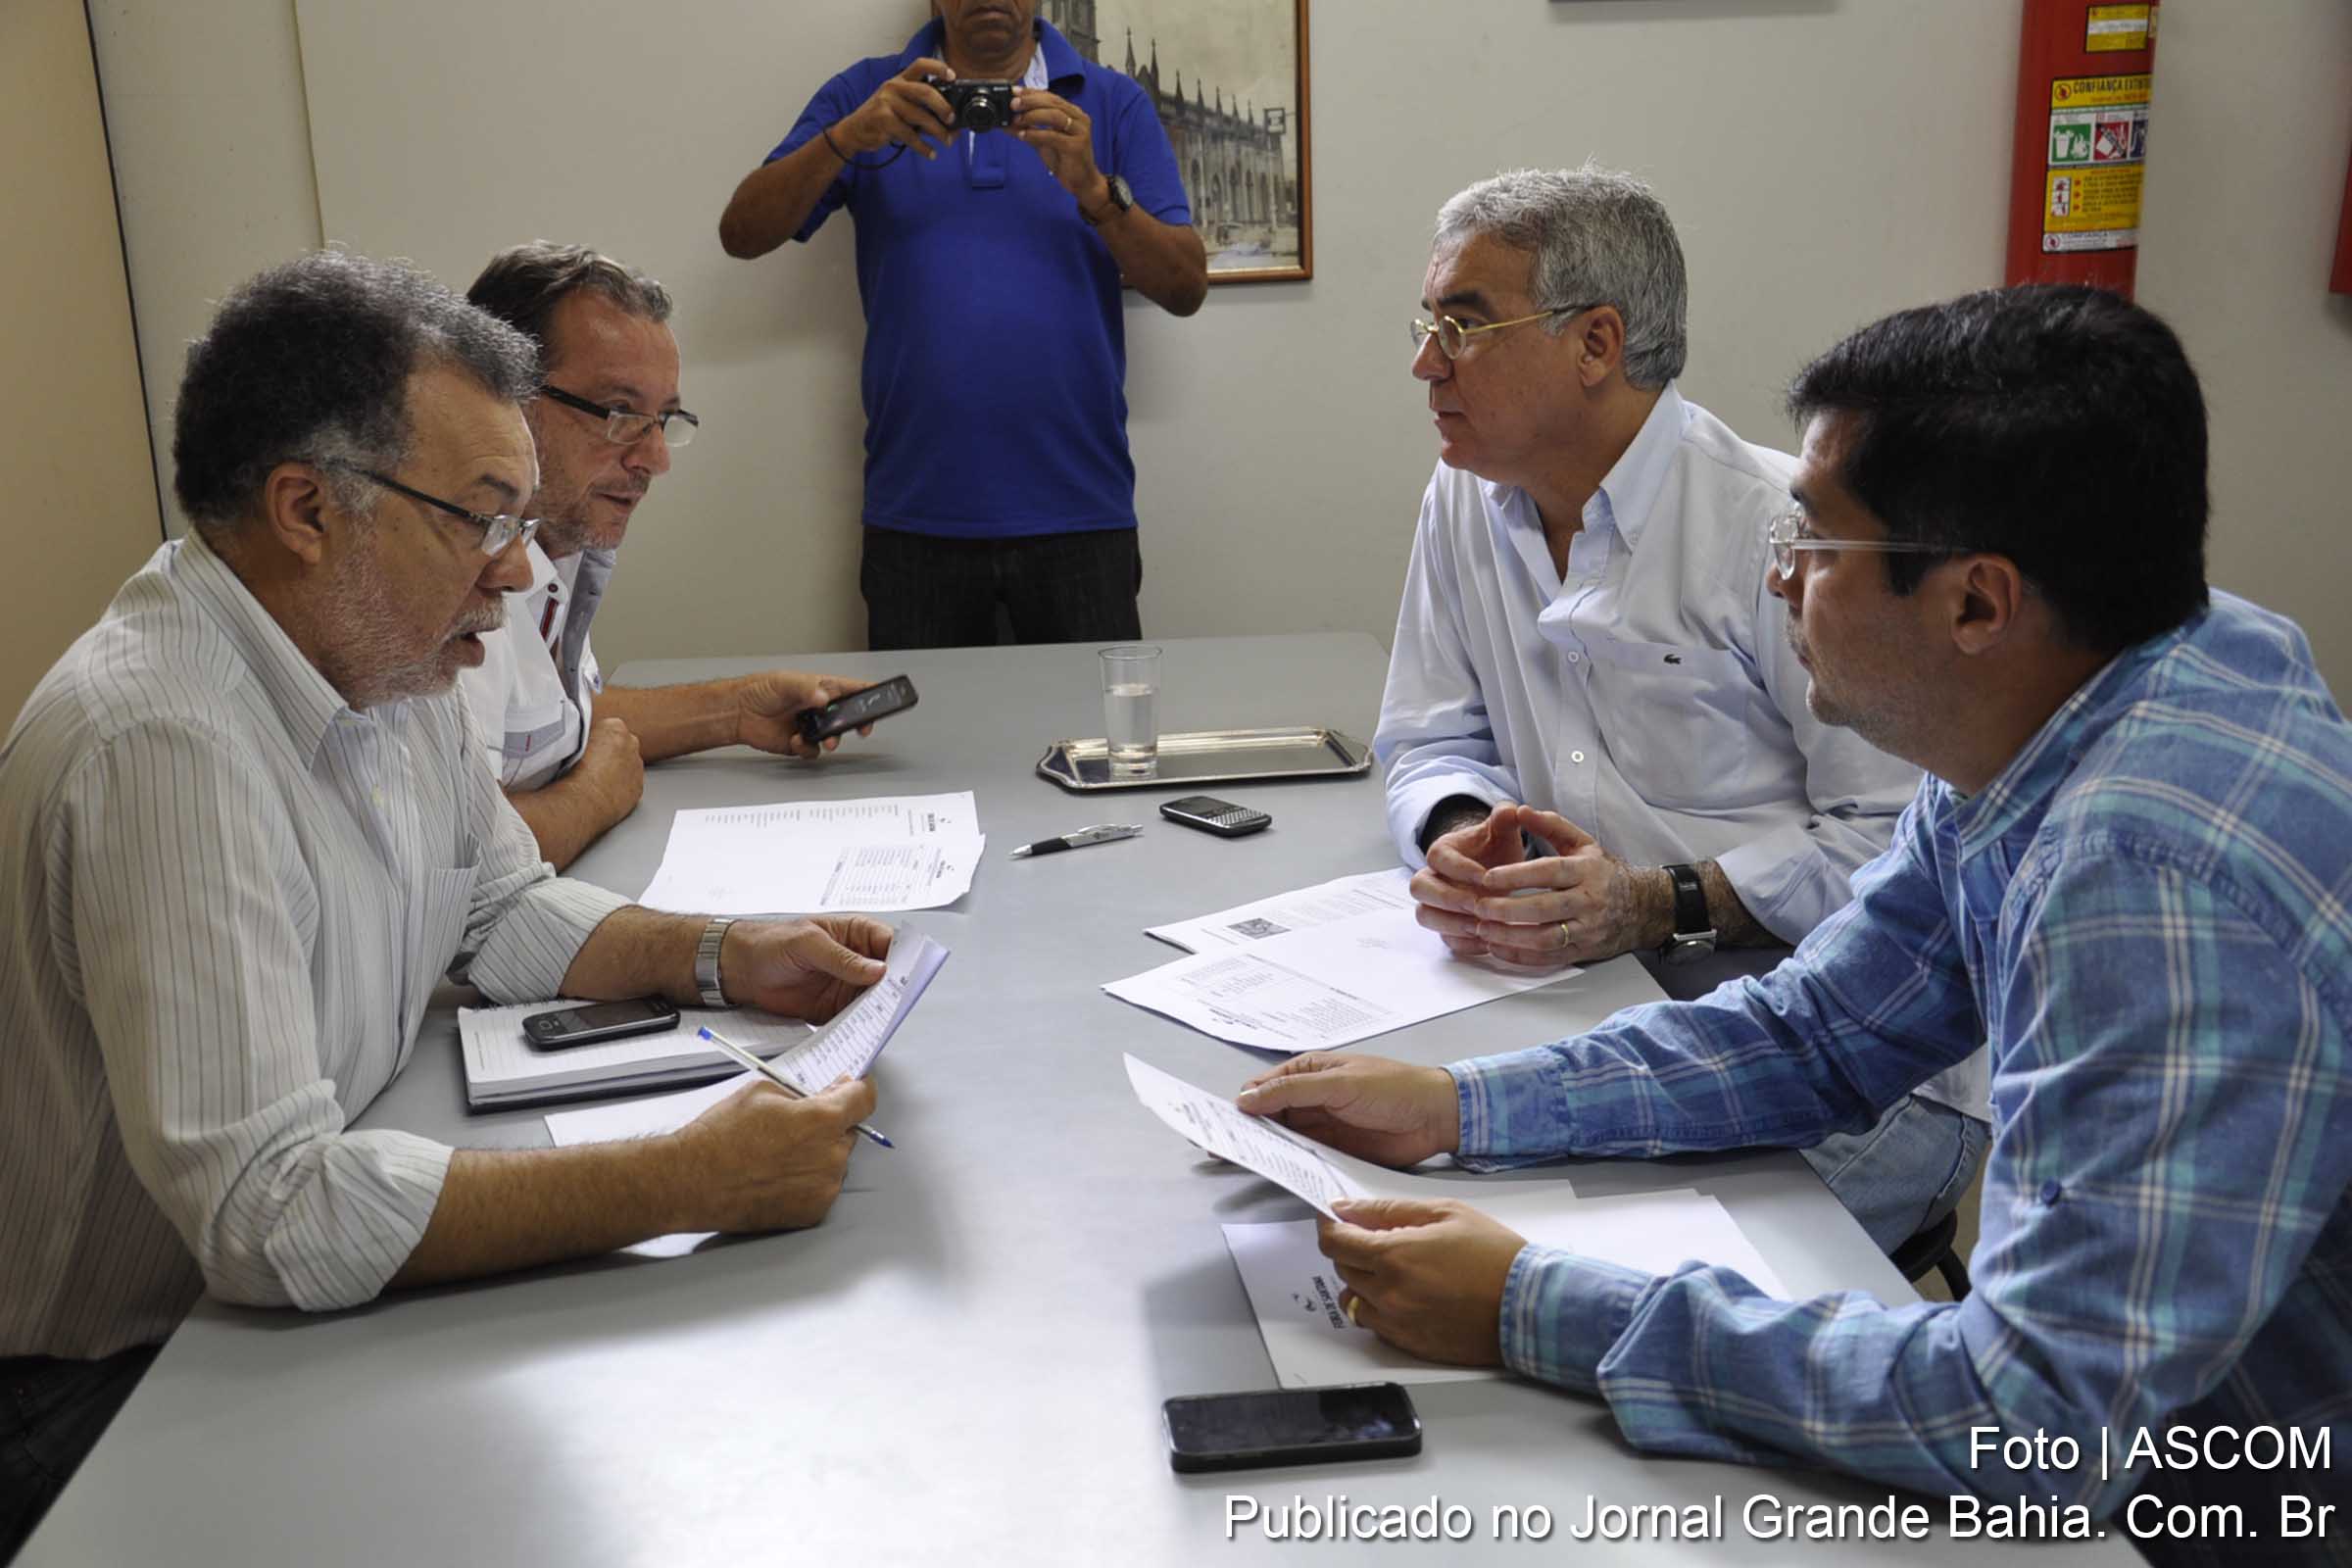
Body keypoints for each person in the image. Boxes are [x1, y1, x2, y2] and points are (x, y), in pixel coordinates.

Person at [1243, 284, 2351, 1553]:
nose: (1776, 578)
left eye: (1816, 545)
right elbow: (1821, 1033)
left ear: (1978, 604)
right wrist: (1458, 1107)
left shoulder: (2146, 879)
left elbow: (2034, 1424)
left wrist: (1528, 1306)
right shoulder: (2087, 691)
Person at [0, 253, 893, 1554]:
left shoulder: (385, 659)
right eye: (480, 519)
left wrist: (724, 957)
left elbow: (500, 912)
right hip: (108, 1395)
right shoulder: (165, 745)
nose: (520, 574)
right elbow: (277, 1216)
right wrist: (692, 1181)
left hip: (246, 1325)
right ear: (308, 509)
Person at [1378, 167, 1980, 1252]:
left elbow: (1901, 850)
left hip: (1858, 1051)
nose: (1425, 363)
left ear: (1596, 344)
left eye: (1463, 326)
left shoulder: (1784, 535)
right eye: (1427, 323)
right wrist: (1464, 834)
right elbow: (1429, 735)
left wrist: (1656, 902)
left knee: (1587, 1261)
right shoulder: (1464, 494)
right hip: (1605, 999)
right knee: (1439, 1199)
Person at [717, 0, 1207, 650]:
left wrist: (1094, 189)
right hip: (916, 517)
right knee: (920, 752)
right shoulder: (868, 94)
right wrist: (845, 139)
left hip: (1081, 513)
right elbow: (742, 233)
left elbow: (1183, 287)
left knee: (1092, 745)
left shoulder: (1111, 103)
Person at [460, 243, 876, 870]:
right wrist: (597, 794)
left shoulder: (555, 541)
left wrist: (739, 708)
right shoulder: (451, 581)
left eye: (665, 419)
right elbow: (458, 862)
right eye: (620, 413)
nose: (656, 459)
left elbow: (557, 726)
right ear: (507, 398)